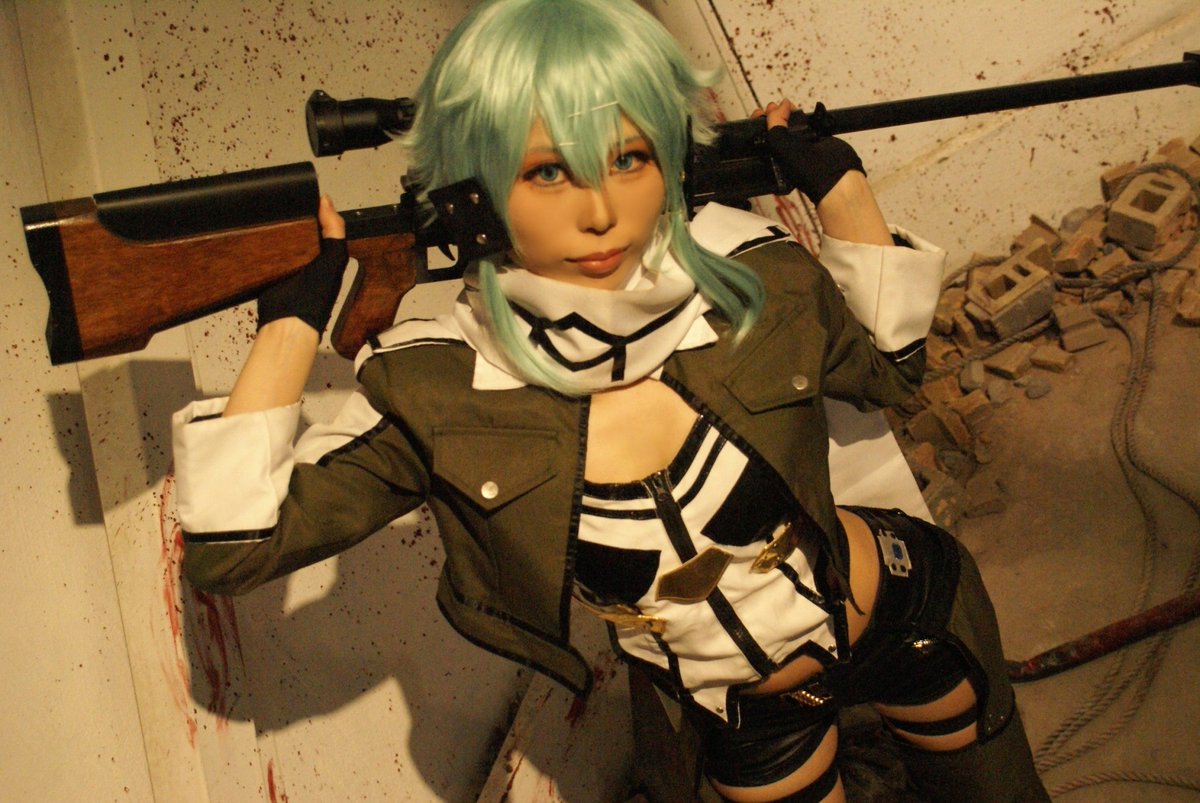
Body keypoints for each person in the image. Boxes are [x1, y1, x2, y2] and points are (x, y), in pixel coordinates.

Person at [172, 1, 1048, 800]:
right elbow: (234, 553)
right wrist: (291, 326)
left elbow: (889, 370)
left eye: (629, 158)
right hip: (748, 715)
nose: (602, 211)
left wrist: (840, 186)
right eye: (548, 172)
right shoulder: (435, 390)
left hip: (909, 610)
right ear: (472, 192)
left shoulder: (752, 277)